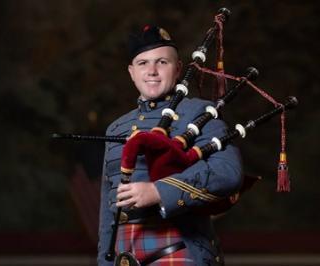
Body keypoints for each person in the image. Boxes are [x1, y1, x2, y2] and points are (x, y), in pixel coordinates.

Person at [97, 25, 243, 266]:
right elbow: (107, 211)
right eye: (143, 63)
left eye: (162, 62)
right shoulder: (115, 128)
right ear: (132, 72)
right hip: (123, 252)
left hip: (178, 248)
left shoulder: (200, 113)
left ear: (178, 69)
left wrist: (158, 192)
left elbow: (228, 173)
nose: (152, 71)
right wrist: (104, 262)